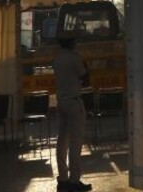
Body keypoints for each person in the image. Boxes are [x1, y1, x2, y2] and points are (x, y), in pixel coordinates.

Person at [53, 30, 91, 192]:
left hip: (61, 102)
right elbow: (85, 78)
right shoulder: (74, 58)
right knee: (75, 143)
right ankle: (75, 181)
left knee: (62, 141)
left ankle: (63, 179)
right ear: (71, 42)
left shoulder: (57, 59)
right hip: (74, 103)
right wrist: (87, 66)